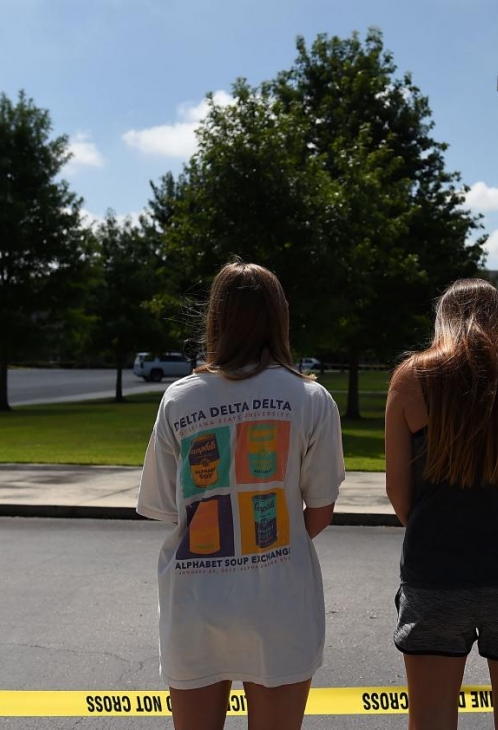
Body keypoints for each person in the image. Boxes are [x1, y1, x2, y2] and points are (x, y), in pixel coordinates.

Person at [137, 260, 345, 730]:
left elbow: (168, 509)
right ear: (280, 317)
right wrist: (273, 538)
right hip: (279, 602)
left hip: (194, 603)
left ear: (216, 318)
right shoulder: (311, 399)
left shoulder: (179, 399)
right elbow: (320, 510)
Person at [384, 278, 498, 730]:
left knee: (428, 719)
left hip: (435, 571)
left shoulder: (412, 378)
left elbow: (398, 493)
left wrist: (435, 527)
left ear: (441, 320)